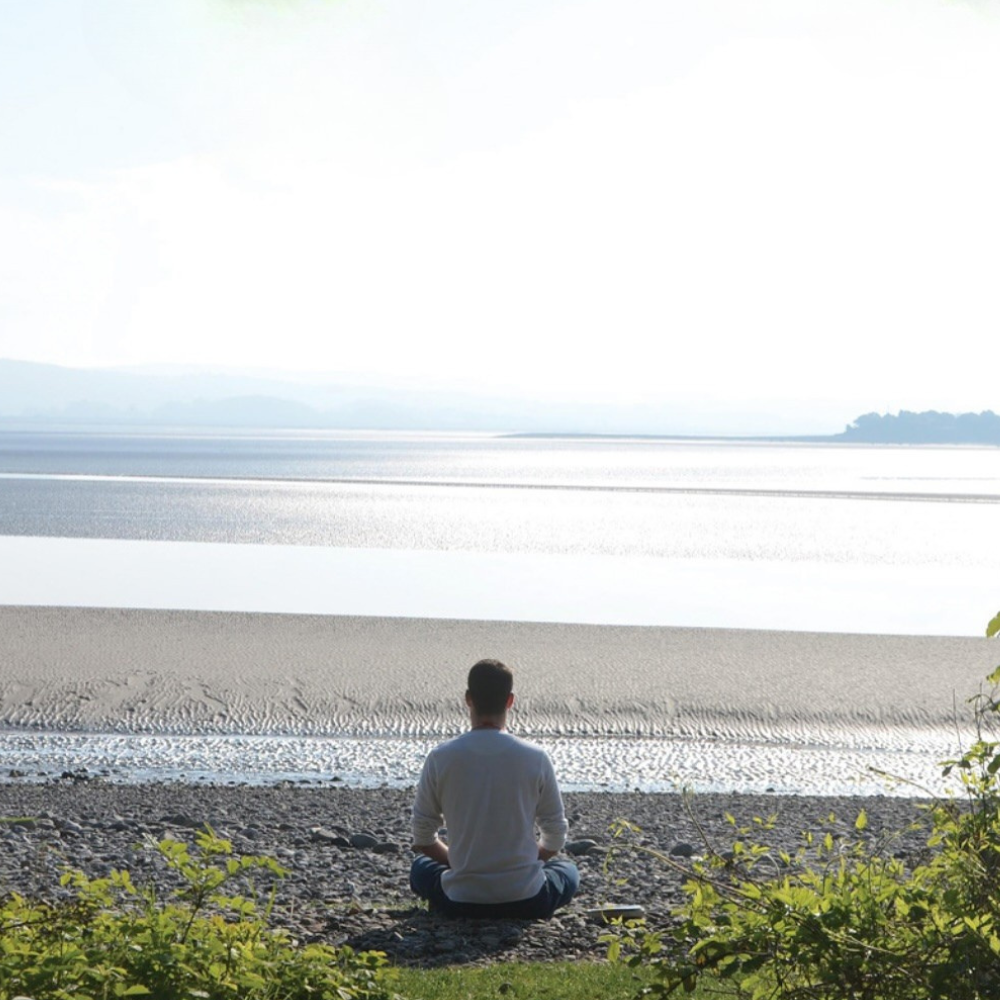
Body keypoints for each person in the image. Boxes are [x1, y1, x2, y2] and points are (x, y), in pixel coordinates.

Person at [410, 658, 579, 919]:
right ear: (510, 701)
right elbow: (555, 834)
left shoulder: (441, 757)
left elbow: (422, 836)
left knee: (420, 868)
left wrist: (459, 862)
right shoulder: (535, 757)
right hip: (526, 898)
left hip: (461, 899)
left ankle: (458, 889)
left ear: (468, 699)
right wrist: (525, 860)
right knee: (567, 869)